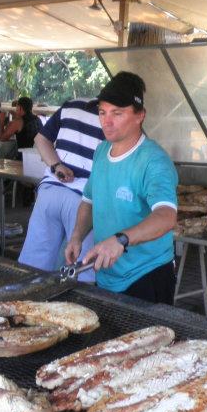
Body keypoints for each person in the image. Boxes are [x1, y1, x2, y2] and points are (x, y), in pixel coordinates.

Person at [65, 72, 179, 304]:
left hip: (146, 276)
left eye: (117, 113)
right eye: (102, 112)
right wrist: (76, 236)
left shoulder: (154, 161)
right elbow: (89, 200)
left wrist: (121, 240)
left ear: (140, 116)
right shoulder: (101, 152)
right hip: (107, 276)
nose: (107, 121)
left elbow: (167, 216)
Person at [18, 96, 104, 281]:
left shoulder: (72, 105)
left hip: (49, 193)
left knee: (32, 268)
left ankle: (23, 304)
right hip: (83, 201)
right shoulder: (114, 117)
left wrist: (56, 165)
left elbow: (41, 139)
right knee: (80, 271)